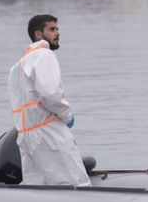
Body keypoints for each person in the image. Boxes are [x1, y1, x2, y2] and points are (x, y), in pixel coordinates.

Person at [8, 14, 90, 186]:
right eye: (52, 29)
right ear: (39, 34)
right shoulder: (44, 55)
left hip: (27, 135)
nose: (57, 33)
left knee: (36, 187)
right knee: (74, 183)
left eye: (57, 29)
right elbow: (49, 94)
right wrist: (66, 114)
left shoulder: (19, 65)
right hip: (48, 132)